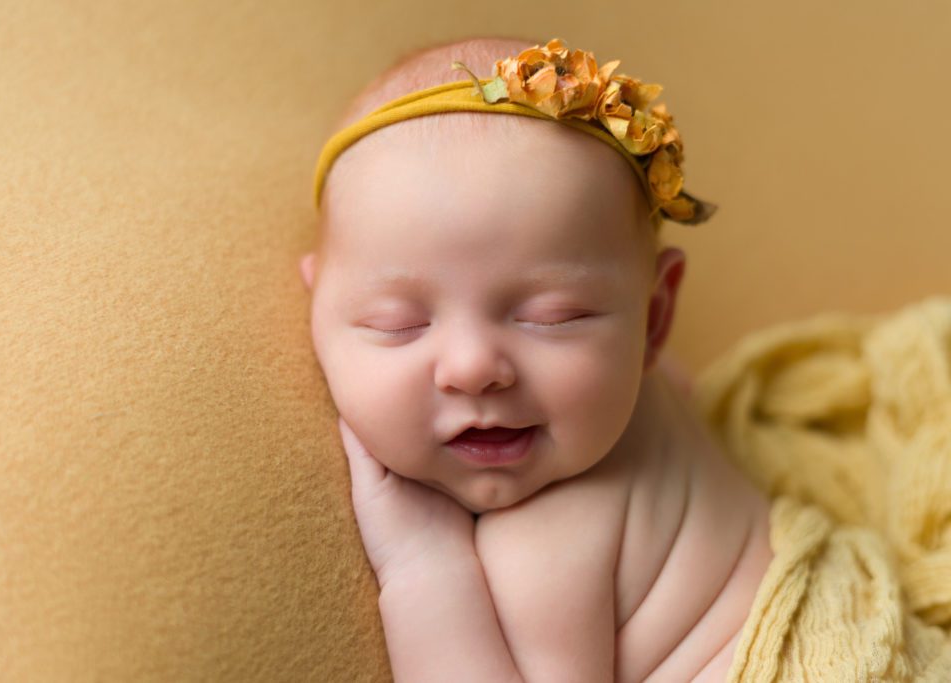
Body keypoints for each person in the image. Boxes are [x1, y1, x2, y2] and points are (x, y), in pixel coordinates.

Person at [299, 36, 775, 682]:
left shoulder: (543, 550)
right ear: (315, 304)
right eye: (400, 324)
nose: (472, 367)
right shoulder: (645, 387)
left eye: (554, 318)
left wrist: (421, 562)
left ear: (653, 319)